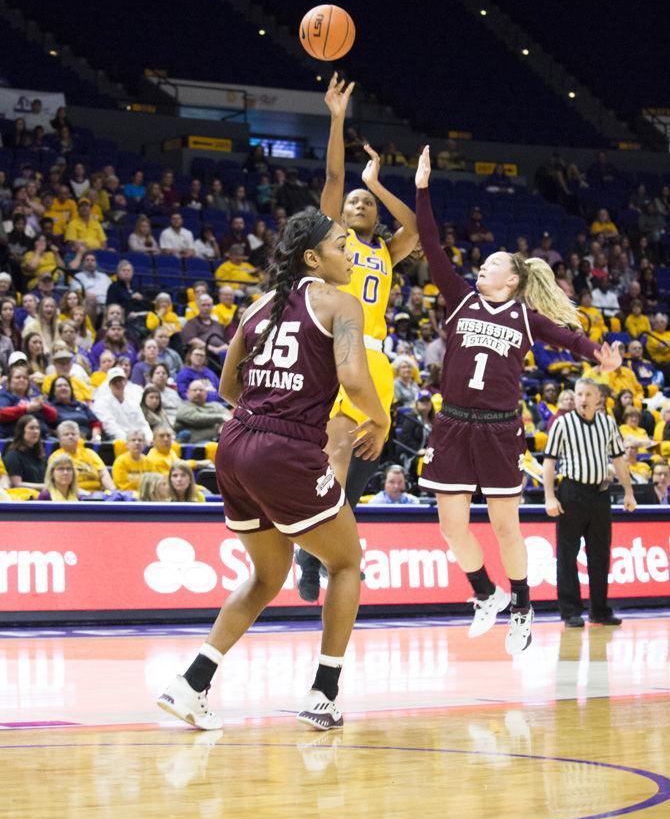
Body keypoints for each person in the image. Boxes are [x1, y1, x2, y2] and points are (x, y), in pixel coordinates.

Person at [157, 205, 387, 732]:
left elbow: (228, 388)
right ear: (314, 257)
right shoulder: (341, 302)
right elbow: (353, 379)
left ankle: (191, 684)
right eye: (340, 245)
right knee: (347, 562)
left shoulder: (260, 305)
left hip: (235, 444)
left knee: (267, 575)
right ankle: (324, 695)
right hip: (283, 449)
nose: (350, 251)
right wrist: (377, 418)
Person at [412, 146, 624, 654]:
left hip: (500, 428)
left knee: (506, 528)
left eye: (490, 266)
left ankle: (524, 607)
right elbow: (431, 242)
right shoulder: (460, 296)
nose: (480, 269)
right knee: (449, 526)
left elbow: (570, 340)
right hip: (453, 423)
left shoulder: (526, 317)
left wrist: (600, 354)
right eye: (481, 266)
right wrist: (421, 187)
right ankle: (486, 594)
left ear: (512, 279)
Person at [297, 75, 418, 602]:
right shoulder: (335, 241)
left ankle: (323, 543)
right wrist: (337, 119)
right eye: (353, 202)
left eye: (365, 202)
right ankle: (314, 553)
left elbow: (414, 223)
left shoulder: (389, 251)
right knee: (341, 449)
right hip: (340, 349)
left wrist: (378, 180)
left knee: (366, 460)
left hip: (379, 361)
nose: (359, 204)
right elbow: (331, 173)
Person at [543, 377, 635, 627]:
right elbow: (549, 461)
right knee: (567, 554)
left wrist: (628, 492)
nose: (582, 399)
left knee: (600, 554)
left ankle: (600, 610)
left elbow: (618, 460)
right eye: (579, 394)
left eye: (587, 395)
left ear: (598, 399)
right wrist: (549, 496)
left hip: (600, 494)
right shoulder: (562, 424)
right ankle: (571, 611)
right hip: (571, 492)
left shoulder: (608, 423)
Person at [49, 421, 116, 494]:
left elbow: (103, 474)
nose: (70, 437)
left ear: (79, 436)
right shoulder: (56, 457)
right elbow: (60, 484)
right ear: (59, 439)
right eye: (66, 434)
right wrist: (86, 495)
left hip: (97, 495)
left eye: (73, 434)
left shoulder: (90, 453)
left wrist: (113, 492)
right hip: (73, 495)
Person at [92, 366, 152, 443]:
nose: (118, 383)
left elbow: (143, 424)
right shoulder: (101, 402)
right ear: (109, 384)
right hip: (117, 441)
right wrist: (130, 440)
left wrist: (149, 439)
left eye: (120, 380)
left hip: (137, 440)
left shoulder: (132, 402)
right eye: (114, 381)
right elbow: (110, 426)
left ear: (125, 382)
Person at [3, 415, 47, 491]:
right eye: (31, 428)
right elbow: (17, 484)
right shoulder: (13, 455)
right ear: (21, 431)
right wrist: (44, 486)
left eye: (37, 428)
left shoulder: (40, 455)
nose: (36, 431)